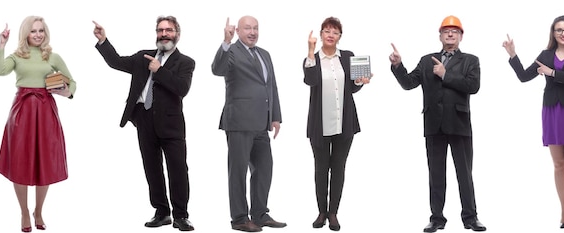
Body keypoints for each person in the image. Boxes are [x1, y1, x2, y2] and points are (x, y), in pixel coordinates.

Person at [92, 16, 195, 231]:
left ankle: (181, 216)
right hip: (144, 120)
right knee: (152, 168)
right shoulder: (142, 57)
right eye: (160, 30)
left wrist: (160, 70)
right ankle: (162, 212)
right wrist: (103, 41)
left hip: (171, 124)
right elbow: (116, 62)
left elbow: (181, 88)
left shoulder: (185, 62)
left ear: (177, 34)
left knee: (177, 169)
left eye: (168, 30)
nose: (164, 34)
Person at [389, 15, 486, 232]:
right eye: (446, 31)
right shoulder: (426, 60)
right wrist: (397, 66)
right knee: (436, 174)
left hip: (460, 124)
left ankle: (470, 218)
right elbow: (408, 83)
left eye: (455, 31)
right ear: (440, 35)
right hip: (434, 124)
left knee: (464, 173)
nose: (450, 34)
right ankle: (436, 218)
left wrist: (445, 74)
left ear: (461, 36)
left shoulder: (471, 60)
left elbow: (473, 86)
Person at [502, 15, 564, 232]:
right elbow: (523, 76)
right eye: (559, 30)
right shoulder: (546, 55)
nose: (563, 33)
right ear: (553, 32)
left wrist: (552, 73)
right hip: (552, 111)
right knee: (558, 165)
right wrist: (513, 55)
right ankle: (563, 210)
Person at [0, 16, 76, 232]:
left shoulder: (53, 56)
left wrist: (66, 92)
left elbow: (72, 82)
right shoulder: (17, 56)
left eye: (41, 30)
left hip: (46, 111)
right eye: (33, 31)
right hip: (22, 112)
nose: (38, 34)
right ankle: (23, 211)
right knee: (20, 160)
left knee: (45, 161)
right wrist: (2, 45)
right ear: (25, 34)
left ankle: (38, 211)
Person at [211, 16, 286, 232]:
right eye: (247, 28)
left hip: (262, 122)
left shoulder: (265, 54)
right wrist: (225, 42)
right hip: (239, 122)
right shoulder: (231, 51)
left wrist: (276, 116)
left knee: (264, 169)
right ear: (238, 31)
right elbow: (217, 69)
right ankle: (240, 219)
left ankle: (260, 214)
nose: (252, 32)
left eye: (255, 28)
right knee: (238, 172)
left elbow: (271, 86)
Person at [302, 17, 371, 231]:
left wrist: (360, 82)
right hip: (319, 125)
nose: (331, 35)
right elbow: (310, 81)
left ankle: (333, 213)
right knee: (321, 169)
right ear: (321, 35)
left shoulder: (348, 57)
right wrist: (311, 51)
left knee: (338, 168)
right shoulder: (312, 58)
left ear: (340, 36)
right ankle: (321, 211)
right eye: (327, 31)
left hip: (345, 123)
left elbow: (352, 88)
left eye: (335, 32)